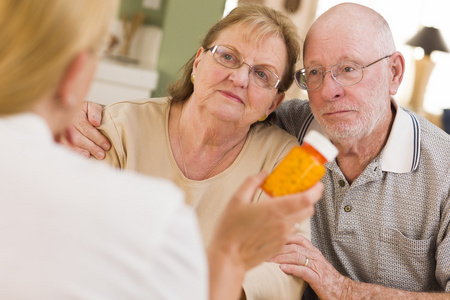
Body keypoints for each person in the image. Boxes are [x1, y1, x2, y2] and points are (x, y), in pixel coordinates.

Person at [0, 1, 324, 300]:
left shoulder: (287, 158)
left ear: (274, 103)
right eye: (227, 56)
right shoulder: (123, 123)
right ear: (198, 63)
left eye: (262, 74)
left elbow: (286, 266)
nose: (239, 77)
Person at [269, 3, 450, 299]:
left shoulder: (444, 170)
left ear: (394, 73)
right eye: (315, 72)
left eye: (349, 69)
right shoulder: (286, 128)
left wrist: (341, 289)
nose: (329, 91)